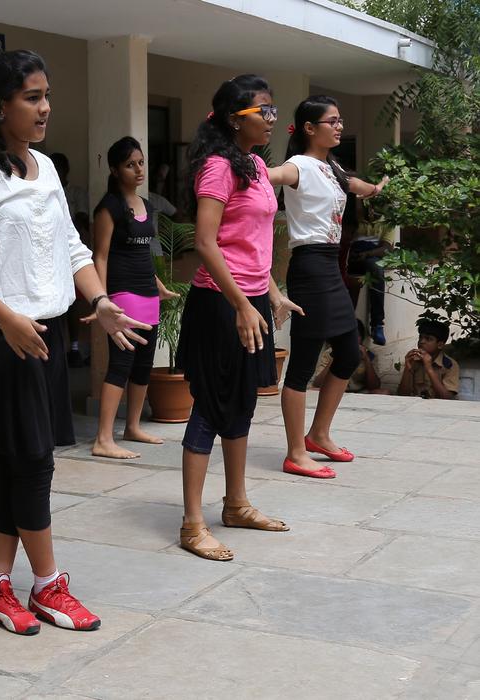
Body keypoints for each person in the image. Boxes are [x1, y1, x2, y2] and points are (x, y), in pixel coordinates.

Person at [0, 49, 149, 634]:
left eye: (47, 95)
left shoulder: (44, 167)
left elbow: (72, 249)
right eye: (32, 97)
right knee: (31, 465)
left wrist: (100, 301)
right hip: (7, 343)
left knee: (17, 463)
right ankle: (48, 584)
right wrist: (6, 318)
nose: (45, 107)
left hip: (44, 335)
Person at [177, 75, 302, 562]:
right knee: (211, 406)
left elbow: (252, 246)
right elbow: (206, 243)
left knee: (243, 402)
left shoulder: (255, 165)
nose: (271, 119)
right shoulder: (217, 168)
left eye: (273, 111)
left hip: (250, 302)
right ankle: (193, 525)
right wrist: (242, 305)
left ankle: (236, 504)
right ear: (234, 119)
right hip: (220, 305)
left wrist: (272, 294)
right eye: (262, 111)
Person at [267, 95, 388, 479]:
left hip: (330, 266)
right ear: (309, 128)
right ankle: (295, 453)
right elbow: (271, 175)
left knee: (349, 353)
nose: (339, 126)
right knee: (303, 364)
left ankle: (319, 434)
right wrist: (237, 166)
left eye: (340, 120)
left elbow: (353, 184)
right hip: (309, 268)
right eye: (331, 121)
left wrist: (375, 189)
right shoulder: (298, 165)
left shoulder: (330, 167)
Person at [89, 136, 178, 459]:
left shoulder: (147, 205)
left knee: (143, 363)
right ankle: (103, 439)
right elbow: (100, 256)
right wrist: (101, 299)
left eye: (141, 163)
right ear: (115, 170)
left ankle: (133, 427)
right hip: (122, 293)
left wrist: (158, 285)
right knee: (121, 363)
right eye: (130, 165)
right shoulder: (108, 208)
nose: (139, 170)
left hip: (147, 293)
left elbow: (142, 253)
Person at [51, 151, 92, 367]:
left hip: (70, 255)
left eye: (59, 168)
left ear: (66, 170)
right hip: (50, 255)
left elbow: (81, 221)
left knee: (72, 302)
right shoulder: (44, 189)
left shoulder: (76, 193)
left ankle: (74, 347)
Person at [348, 204, 395, 345]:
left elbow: (387, 248)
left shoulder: (388, 221)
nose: (373, 210)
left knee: (377, 270)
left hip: (371, 255)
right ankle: (343, 324)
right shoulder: (355, 217)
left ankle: (377, 324)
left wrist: (367, 254)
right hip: (351, 254)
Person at [313, 320, 388, 394]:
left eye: (355, 336)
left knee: (384, 392)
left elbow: (374, 386)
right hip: (335, 391)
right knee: (314, 391)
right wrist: (335, 357)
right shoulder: (330, 353)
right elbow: (317, 384)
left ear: (361, 338)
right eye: (346, 337)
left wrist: (366, 359)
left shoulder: (368, 354)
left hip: (360, 392)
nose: (351, 340)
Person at [397, 319, 460, 399]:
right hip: (415, 404)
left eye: (428, 339)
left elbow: (447, 398)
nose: (421, 341)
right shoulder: (414, 360)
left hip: (438, 406)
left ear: (440, 345)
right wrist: (407, 368)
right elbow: (402, 395)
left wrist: (429, 368)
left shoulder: (449, 365)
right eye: (420, 337)